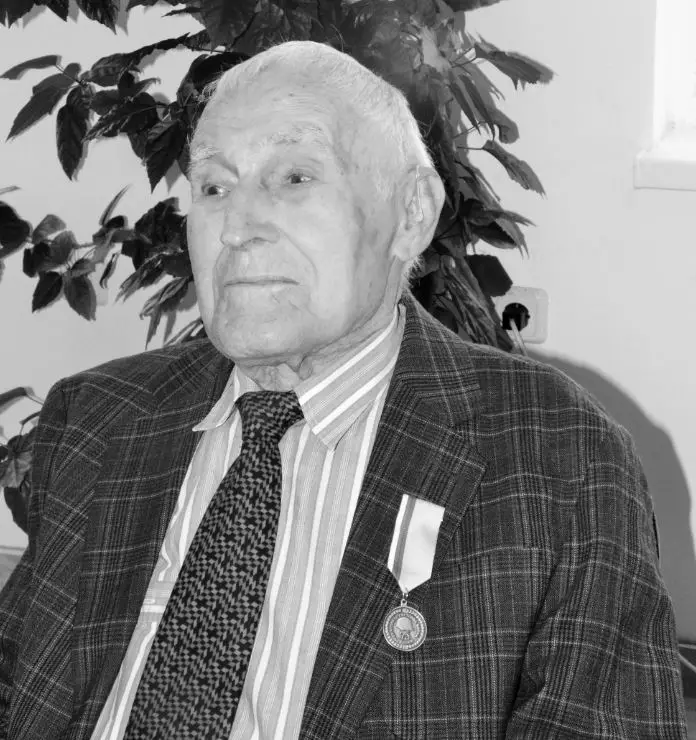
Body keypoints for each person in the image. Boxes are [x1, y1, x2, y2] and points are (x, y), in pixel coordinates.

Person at [0, 39, 688, 740]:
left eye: (294, 177)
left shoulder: (558, 460)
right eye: (213, 187)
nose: (237, 228)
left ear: (411, 213)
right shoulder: (98, 418)